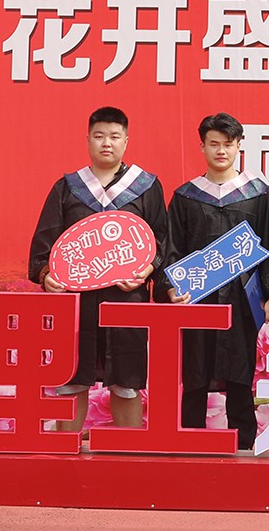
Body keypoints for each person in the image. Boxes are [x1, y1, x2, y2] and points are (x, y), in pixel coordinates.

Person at [27, 105, 168, 432]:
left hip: (126, 299)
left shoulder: (146, 186)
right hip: (77, 302)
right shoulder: (68, 187)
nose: (107, 143)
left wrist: (148, 269)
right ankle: (64, 454)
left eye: (114, 136)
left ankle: (128, 455)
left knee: (127, 382)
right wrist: (47, 275)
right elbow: (44, 243)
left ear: (126, 141)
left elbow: (162, 239)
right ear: (88, 139)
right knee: (72, 379)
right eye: (99, 136)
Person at [167, 112, 269, 451]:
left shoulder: (256, 195)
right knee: (195, 371)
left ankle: (243, 443)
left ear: (239, 146)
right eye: (213, 144)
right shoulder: (186, 197)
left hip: (242, 300)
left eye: (228, 144)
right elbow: (172, 248)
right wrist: (171, 287)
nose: (221, 151)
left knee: (240, 371)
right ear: (202, 147)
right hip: (197, 299)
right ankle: (189, 441)